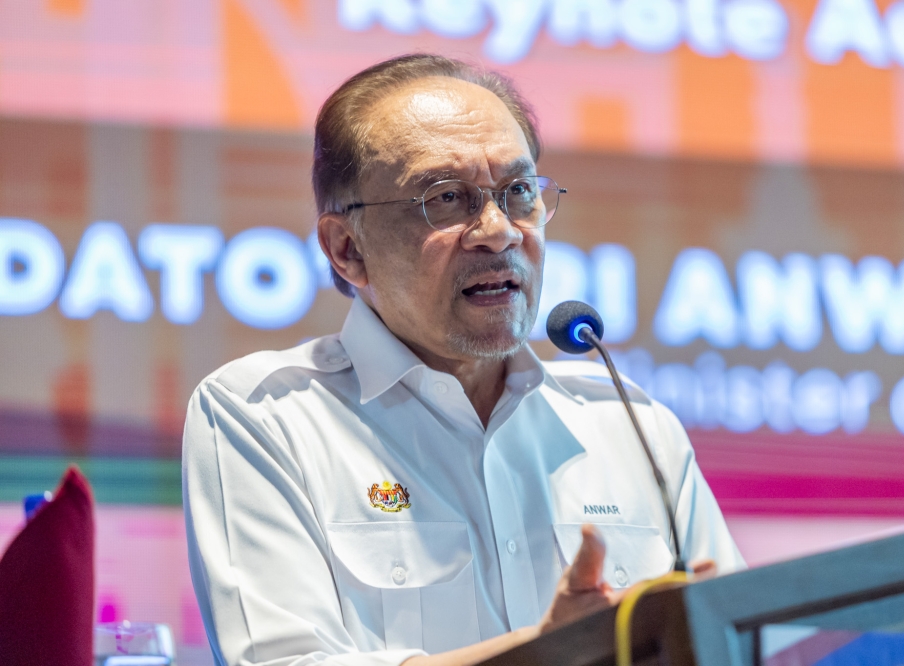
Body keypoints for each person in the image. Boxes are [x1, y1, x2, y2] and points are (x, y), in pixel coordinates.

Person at [183, 54, 744, 666]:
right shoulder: (264, 417)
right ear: (347, 249)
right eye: (447, 198)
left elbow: (740, 637)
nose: (499, 231)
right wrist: (553, 653)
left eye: (518, 192)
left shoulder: (632, 427)